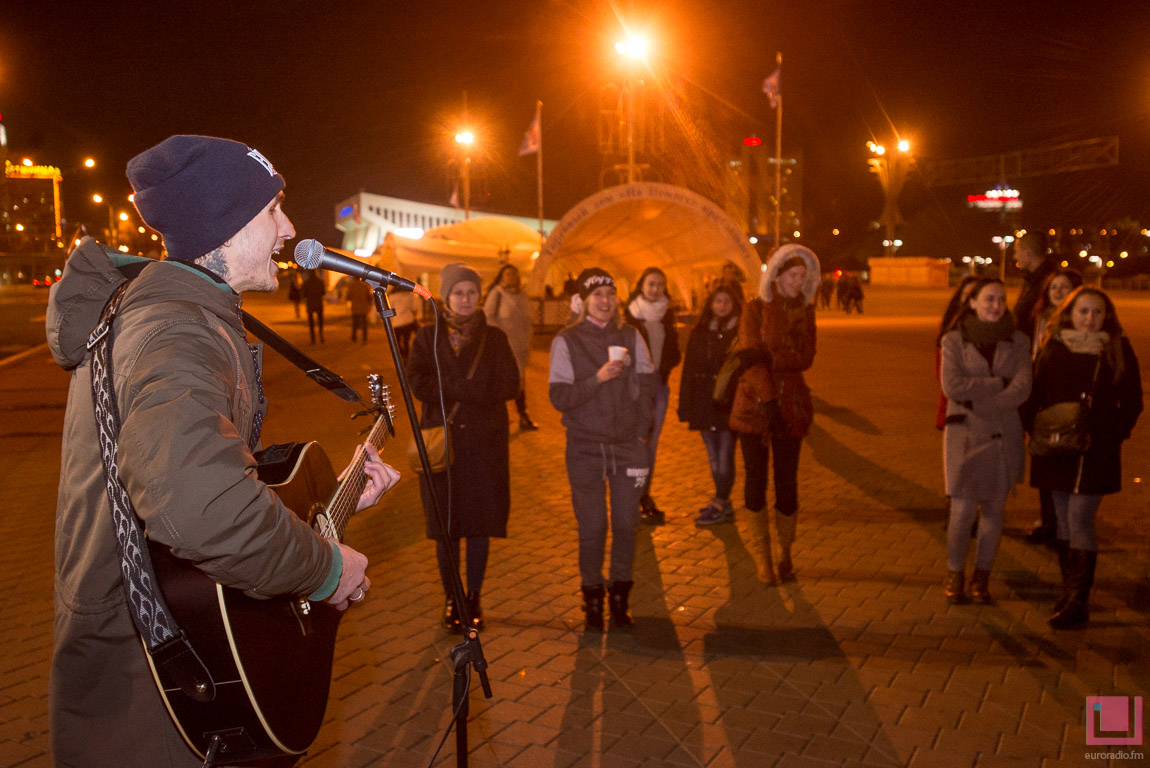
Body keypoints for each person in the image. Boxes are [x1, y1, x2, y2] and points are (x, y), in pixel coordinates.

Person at [45, 135, 400, 767]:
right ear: (222, 229)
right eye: (272, 211)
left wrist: (330, 504)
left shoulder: (183, 313)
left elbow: (206, 482)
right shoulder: (174, 332)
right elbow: (199, 509)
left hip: (178, 658)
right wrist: (323, 569)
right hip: (154, 692)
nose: (289, 228)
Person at [406, 263, 519, 632]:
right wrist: (467, 391)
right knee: (447, 529)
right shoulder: (427, 336)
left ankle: (474, 598)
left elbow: (510, 386)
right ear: (446, 296)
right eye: (459, 292)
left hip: (485, 447)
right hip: (443, 445)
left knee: (480, 527)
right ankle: (452, 598)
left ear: (479, 295)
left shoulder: (496, 338)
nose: (466, 299)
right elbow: (418, 383)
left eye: (471, 292)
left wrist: (456, 389)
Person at [1026, 288, 1142, 628]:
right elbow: (1035, 393)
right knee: (1061, 518)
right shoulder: (1054, 347)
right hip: (1057, 447)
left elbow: (1133, 401)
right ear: (1069, 313)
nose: (1090, 318)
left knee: (1080, 517)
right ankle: (1068, 591)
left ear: (1107, 316)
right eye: (1083, 311)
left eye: (1097, 312)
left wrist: (1111, 433)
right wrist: (1038, 431)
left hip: (1096, 449)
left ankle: (1079, 601)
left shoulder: (1117, 349)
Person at [549, 268, 656, 630]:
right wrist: (597, 378)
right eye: (597, 295)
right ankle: (592, 596)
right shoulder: (567, 340)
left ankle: (620, 597)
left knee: (627, 524)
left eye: (610, 293)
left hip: (627, 446)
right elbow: (559, 397)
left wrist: (641, 432)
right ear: (583, 301)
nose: (605, 301)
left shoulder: (631, 335)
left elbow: (648, 384)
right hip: (585, 447)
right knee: (593, 526)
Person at [728, 245, 819, 584]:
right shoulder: (754, 309)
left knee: (787, 482)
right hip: (755, 406)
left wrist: (772, 357)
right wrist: (769, 401)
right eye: (794, 276)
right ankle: (762, 558)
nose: (800, 282)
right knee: (755, 480)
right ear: (777, 275)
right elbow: (751, 359)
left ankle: (785, 555)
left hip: (792, 405)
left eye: (803, 277)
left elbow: (807, 357)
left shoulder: (805, 312)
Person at [939, 278, 1032, 605]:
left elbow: (1022, 388)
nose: (995, 305)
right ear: (973, 302)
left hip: (1003, 436)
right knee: (962, 512)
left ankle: (982, 577)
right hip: (965, 436)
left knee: (994, 512)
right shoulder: (954, 340)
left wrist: (982, 400)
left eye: (1001, 300)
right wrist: (998, 383)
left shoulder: (1019, 341)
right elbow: (952, 386)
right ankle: (955, 573)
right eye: (989, 299)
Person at [1022, 268, 1083, 545]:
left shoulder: (1081, 322)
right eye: (1054, 287)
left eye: (1065, 286)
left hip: (1068, 404)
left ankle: (1065, 526)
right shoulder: (1040, 319)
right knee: (1044, 464)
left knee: (1065, 465)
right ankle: (1049, 521)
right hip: (1041, 400)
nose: (1058, 291)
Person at [677, 284, 743, 525]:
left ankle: (719, 501)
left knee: (725, 455)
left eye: (726, 301)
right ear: (710, 304)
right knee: (713, 457)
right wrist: (685, 406)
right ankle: (723, 501)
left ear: (735, 304)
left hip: (729, 403)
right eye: (717, 301)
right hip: (704, 403)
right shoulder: (700, 332)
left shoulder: (741, 333)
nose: (722, 305)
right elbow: (688, 371)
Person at [623, 266, 682, 524]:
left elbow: (674, 353)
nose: (655, 288)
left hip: (659, 386)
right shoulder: (629, 316)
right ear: (641, 286)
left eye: (659, 284)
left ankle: (644, 494)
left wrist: (664, 367)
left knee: (651, 446)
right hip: (634, 389)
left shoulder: (668, 315)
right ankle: (630, 498)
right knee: (635, 443)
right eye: (650, 284)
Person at [484, 263, 539, 431]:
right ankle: (498, 416)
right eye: (507, 274)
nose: (511, 277)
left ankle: (523, 415)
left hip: (521, 346)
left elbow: (527, 321)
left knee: (520, 381)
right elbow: (488, 318)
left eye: (514, 274)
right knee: (502, 382)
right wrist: (499, 338)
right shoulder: (497, 294)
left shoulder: (523, 295)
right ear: (501, 277)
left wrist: (528, 344)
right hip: (503, 348)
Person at [1011, 230, 1055, 343]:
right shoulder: (1032, 279)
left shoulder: (1051, 283)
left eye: (1017, 251)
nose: (1015, 257)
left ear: (1028, 252)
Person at [389, 284, 421, 359]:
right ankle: (406, 355)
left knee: (397, 341)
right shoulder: (409, 296)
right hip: (408, 321)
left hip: (396, 322)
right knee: (406, 341)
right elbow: (414, 308)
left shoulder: (392, 297)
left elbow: (390, 309)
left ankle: (401, 354)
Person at [302, 267, 327, 344]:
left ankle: (313, 339)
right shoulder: (320, 282)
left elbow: (304, 294)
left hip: (310, 304)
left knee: (311, 323)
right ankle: (321, 336)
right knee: (320, 321)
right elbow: (323, 292)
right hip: (319, 303)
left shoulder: (306, 283)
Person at [348, 276, 373, 343]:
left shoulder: (351, 286)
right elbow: (369, 296)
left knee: (355, 323)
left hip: (355, 307)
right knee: (364, 324)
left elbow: (348, 297)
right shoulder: (365, 285)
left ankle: (354, 337)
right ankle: (364, 338)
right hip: (364, 307)